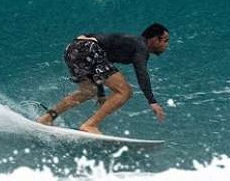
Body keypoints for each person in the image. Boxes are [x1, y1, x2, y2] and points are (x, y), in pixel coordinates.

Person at [36, 23, 169, 134]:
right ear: (154, 39)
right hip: (89, 48)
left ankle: (47, 118)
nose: (166, 45)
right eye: (165, 40)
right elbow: (142, 73)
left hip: (73, 49)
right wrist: (152, 102)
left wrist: (100, 92)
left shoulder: (128, 44)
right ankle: (90, 125)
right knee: (125, 92)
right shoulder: (141, 46)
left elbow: (98, 67)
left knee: (88, 91)